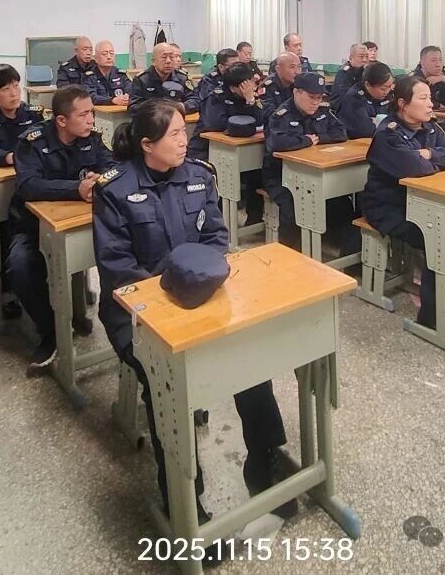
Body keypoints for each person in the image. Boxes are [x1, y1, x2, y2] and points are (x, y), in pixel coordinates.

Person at [93, 98, 297, 541]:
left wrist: (197, 280)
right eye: (174, 135)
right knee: (167, 383)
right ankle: (184, 491)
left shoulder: (199, 176)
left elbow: (217, 238)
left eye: (184, 132)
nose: (185, 140)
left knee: (250, 360)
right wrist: (178, 286)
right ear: (147, 144)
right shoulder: (114, 189)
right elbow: (118, 269)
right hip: (138, 315)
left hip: (204, 297)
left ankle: (264, 457)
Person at [7, 86, 110, 368]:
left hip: (79, 223)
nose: (91, 119)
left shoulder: (92, 139)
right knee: (19, 267)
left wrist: (100, 178)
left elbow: (113, 168)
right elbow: (28, 185)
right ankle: (51, 329)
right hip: (33, 225)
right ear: (62, 120)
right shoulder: (32, 142)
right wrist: (76, 188)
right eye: (84, 114)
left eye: (92, 112)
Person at [361, 75, 445, 328]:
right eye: (423, 98)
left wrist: (429, 153)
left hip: (422, 204)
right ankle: (432, 314)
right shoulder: (388, 134)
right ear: (403, 104)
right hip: (388, 207)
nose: (431, 104)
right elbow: (415, 168)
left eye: (430, 98)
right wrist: (433, 162)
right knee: (438, 235)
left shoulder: (431, 128)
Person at [264, 72, 356, 251]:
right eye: (311, 97)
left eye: (319, 97)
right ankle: (288, 254)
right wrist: (305, 140)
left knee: (342, 203)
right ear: (296, 92)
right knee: (293, 206)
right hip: (281, 176)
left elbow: (341, 133)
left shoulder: (322, 110)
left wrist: (317, 138)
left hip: (316, 173)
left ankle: (343, 253)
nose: (316, 102)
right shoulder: (282, 115)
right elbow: (276, 143)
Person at [0, 64, 48, 166]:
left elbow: (47, 144)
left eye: (16, 86)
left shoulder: (33, 114)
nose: (13, 93)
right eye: (6, 89)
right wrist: (8, 157)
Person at [188, 62, 262, 160]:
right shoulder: (216, 97)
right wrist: (243, 126)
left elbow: (261, 120)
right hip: (205, 150)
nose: (252, 87)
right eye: (246, 85)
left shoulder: (250, 97)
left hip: (239, 147)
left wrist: (250, 101)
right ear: (233, 88)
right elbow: (215, 125)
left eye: (252, 82)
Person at [127, 42, 199, 116]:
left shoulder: (182, 78)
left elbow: (195, 101)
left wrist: (180, 107)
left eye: (171, 57)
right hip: (151, 121)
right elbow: (133, 108)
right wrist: (157, 109)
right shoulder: (142, 80)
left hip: (175, 118)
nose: (168, 61)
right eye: (164, 57)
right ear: (153, 61)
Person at [336, 61, 395, 139]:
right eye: (383, 88)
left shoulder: (390, 95)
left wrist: (377, 122)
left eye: (389, 86)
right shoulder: (354, 99)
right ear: (367, 84)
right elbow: (365, 130)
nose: (386, 91)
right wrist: (386, 124)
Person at [412, 46, 445, 110]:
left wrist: (443, 78)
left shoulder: (440, 74)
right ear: (423, 63)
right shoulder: (414, 80)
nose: (438, 64)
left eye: (440, 60)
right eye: (434, 60)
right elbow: (417, 100)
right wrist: (439, 106)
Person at [83, 40, 130, 106]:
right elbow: (91, 97)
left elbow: (132, 89)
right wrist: (112, 100)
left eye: (111, 53)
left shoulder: (120, 74)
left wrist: (127, 97)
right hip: (99, 112)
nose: (109, 57)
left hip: (122, 110)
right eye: (104, 54)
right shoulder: (90, 77)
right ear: (95, 58)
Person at [260, 52, 302, 123]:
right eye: (292, 67)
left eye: (299, 67)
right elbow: (269, 114)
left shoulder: (299, 83)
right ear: (278, 69)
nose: (297, 72)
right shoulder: (267, 86)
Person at [329, 43, 370, 110]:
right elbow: (346, 95)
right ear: (350, 58)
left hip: (359, 104)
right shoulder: (344, 72)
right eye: (361, 56)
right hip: (341, 107)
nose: (364, 60)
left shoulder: (365, 71)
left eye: (367, 57)